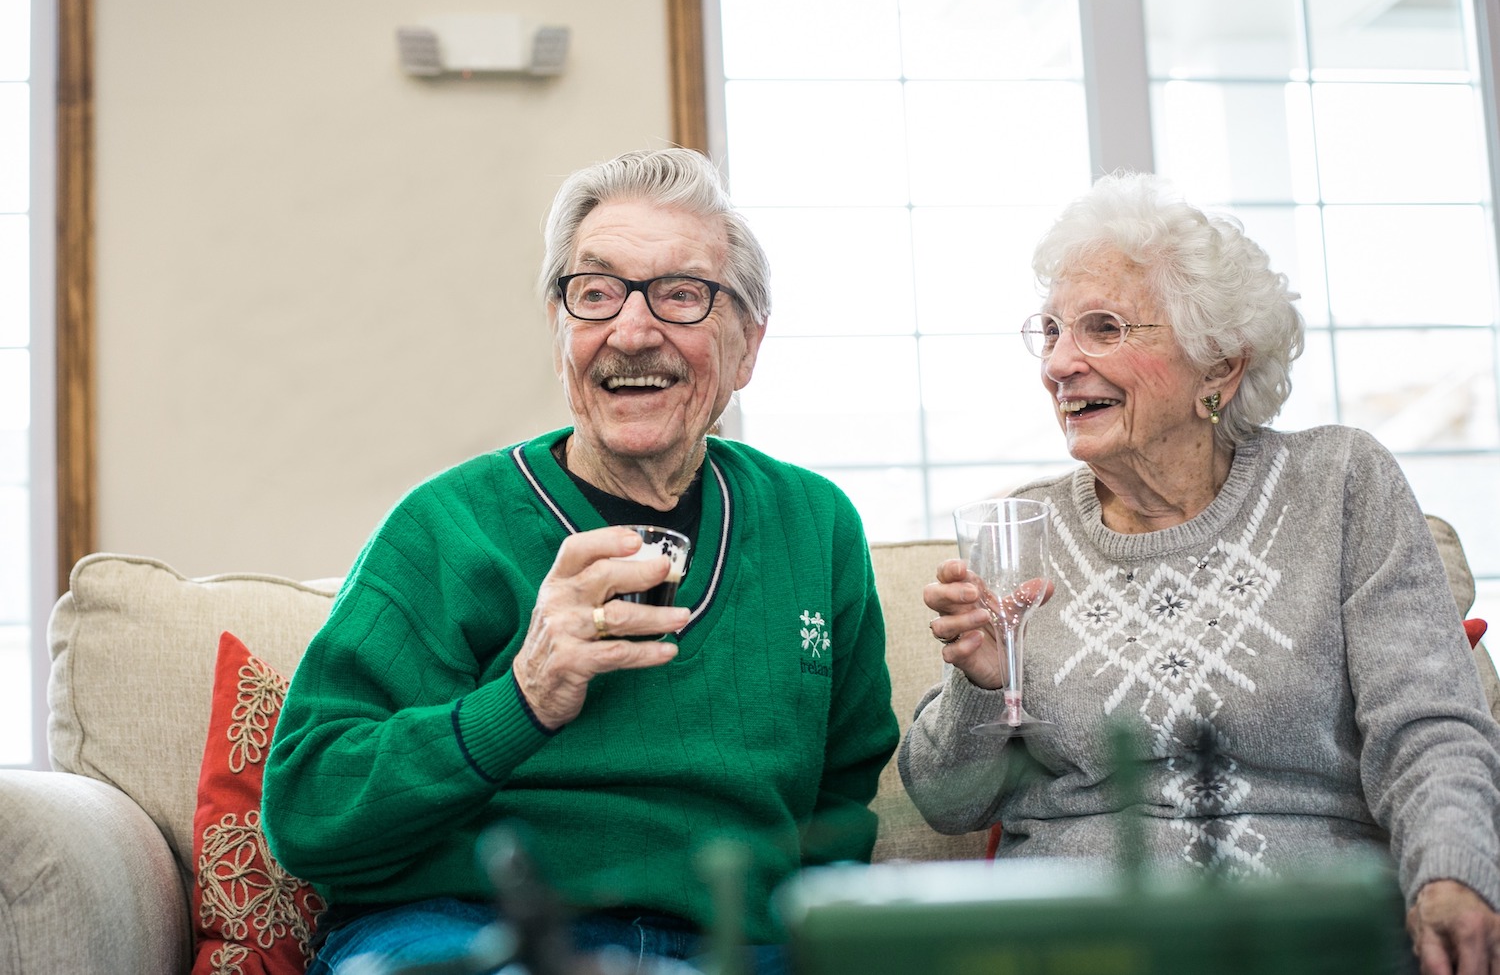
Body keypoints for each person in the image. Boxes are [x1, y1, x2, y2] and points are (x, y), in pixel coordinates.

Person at [262, 147, 899, 975]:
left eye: (682, 294)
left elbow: (840, 815)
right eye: (595, 293)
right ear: (563, 334)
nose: (632, 331)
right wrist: (521, 699)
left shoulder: (814, 528)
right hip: (468, 927)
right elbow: (308, 813)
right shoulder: (446, 528)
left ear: (747, 347)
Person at [899, 171, 1500, 974]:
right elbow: (946, 802)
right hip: (1090, 943)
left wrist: (1453, 872)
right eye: (1051, 330)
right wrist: (978, 685)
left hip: (1311, 932)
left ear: (1218, 367)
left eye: (1103, 328)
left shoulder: (1341, 484)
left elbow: (1428, 727)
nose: (1060, 363)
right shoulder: (1023, 533)